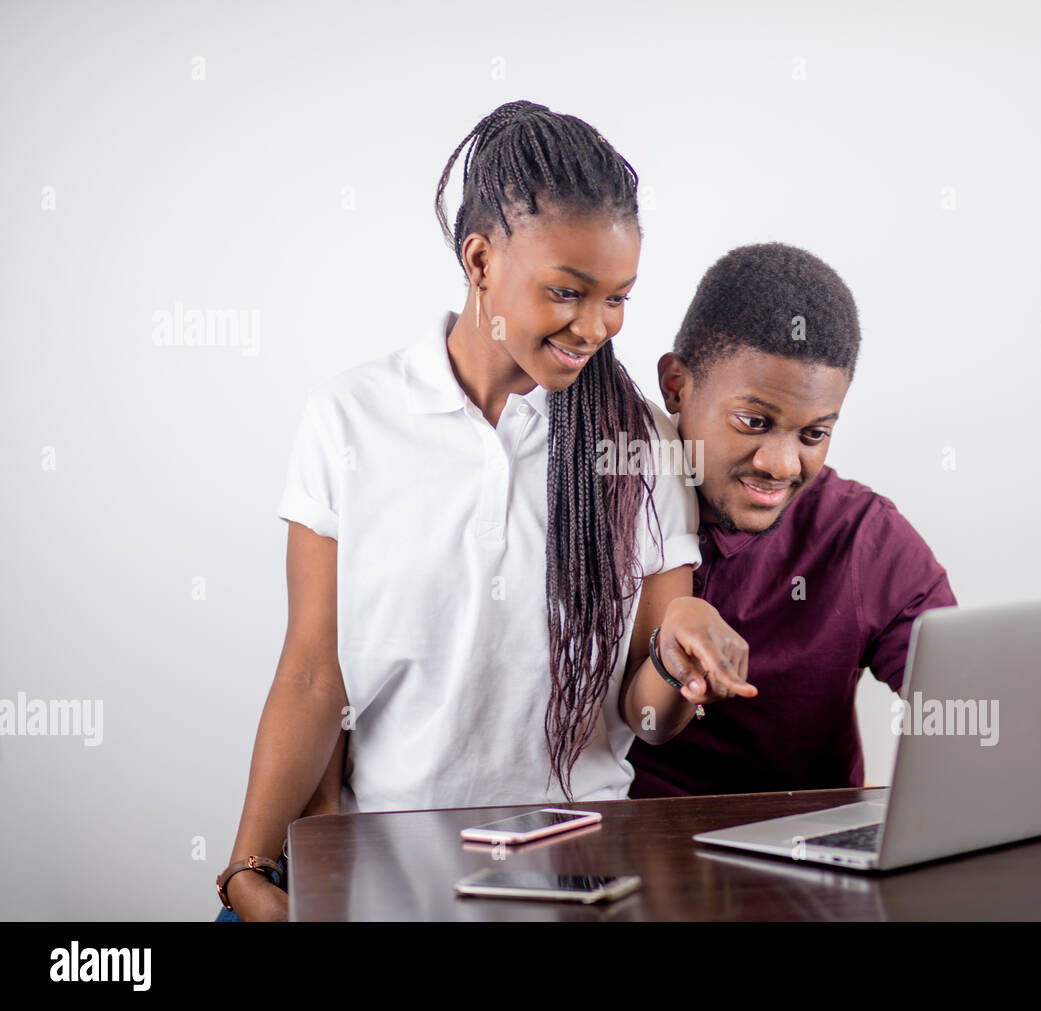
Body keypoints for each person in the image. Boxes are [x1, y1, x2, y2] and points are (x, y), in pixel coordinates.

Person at [216, 101, 753, 922]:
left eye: (617, 298)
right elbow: (313, 673)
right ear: (478, 260)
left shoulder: (635, 440)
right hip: (391, 869)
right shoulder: (351, 418)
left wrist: (681, 660)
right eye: (567, 292)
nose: (596, 328)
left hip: (583, 872)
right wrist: (248, 868)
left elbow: (645, 719)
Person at [627, 242, 958, 798]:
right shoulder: (605, 506)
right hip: (639, 851)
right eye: (753, 422)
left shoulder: (863, 538)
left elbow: (959, 699)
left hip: (811, 855)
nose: (780, 466)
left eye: (814, 434)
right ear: (676, 387)